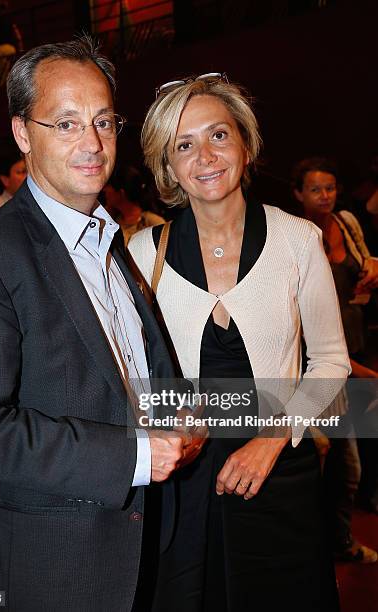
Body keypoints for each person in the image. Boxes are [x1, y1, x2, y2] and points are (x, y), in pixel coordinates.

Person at [0, 36, 197, 611]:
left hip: (140, 542)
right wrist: (132, 455)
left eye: (104, 121)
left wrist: (178, 410)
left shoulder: (109, 240)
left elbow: (130, 370)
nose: (93, 143)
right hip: (51, 563)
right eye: (67, 123)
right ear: (22, 134)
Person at [128, 74, 351, 611]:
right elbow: (129, 374)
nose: (205, 155)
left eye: (218, 135)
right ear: (169, 166)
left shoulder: (299, 240)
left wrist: (272, 439)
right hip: (180, 481)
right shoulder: (140, 252)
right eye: (184, 144)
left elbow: (332, 362)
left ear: (245, 145)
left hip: (278, 471)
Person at [292, 157, 378, 548]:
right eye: (314, 189)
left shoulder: (347, 223)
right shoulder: (300, 238)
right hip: (329, 364)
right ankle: (334, 544)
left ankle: (339, 539)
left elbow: (365, 263)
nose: (324, 196)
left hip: (358, 347)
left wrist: (373, 265)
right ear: (299, 195)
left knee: (357, 454)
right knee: (340, 463)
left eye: (329, 187)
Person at [104, 164, 165, 244]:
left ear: (121, 193)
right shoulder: (111, 220)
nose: (104, 190)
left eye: (109, 186)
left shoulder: (152, 223)